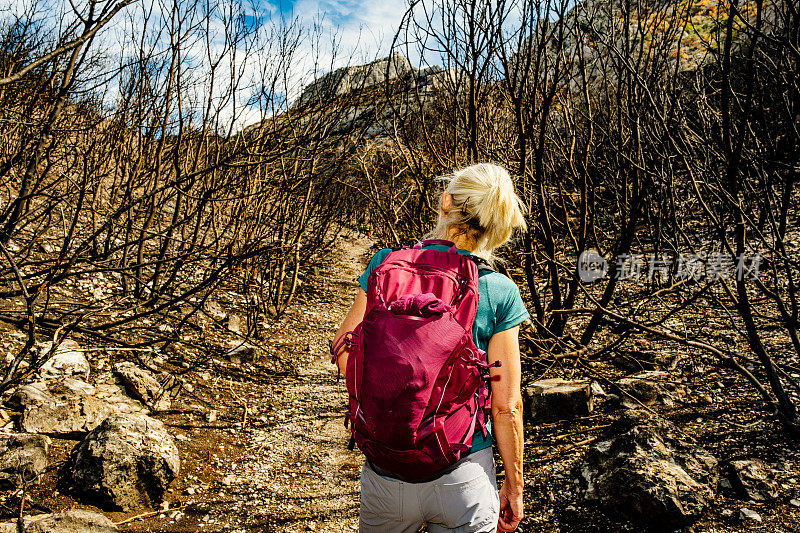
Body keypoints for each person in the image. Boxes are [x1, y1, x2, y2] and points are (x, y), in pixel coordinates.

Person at [332, 163, 528, 533]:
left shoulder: (384, 266)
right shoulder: (499, 290)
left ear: (445, 202)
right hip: (462, 471)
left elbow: (344, 355)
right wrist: (514, 487)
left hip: (386, 472)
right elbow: (507, 406)